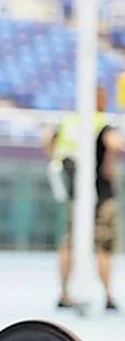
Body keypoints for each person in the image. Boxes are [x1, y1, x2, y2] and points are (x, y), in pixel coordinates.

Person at [46, 87, 122, 310]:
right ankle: (108, 295)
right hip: (101, 194)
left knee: (70, 243)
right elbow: (115, 143)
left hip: (76, 195)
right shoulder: (100, 122)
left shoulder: (70, 122)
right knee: (104, 246)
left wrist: (56, 160)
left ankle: (64, 293)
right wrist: (109, 164)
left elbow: (48, 140)